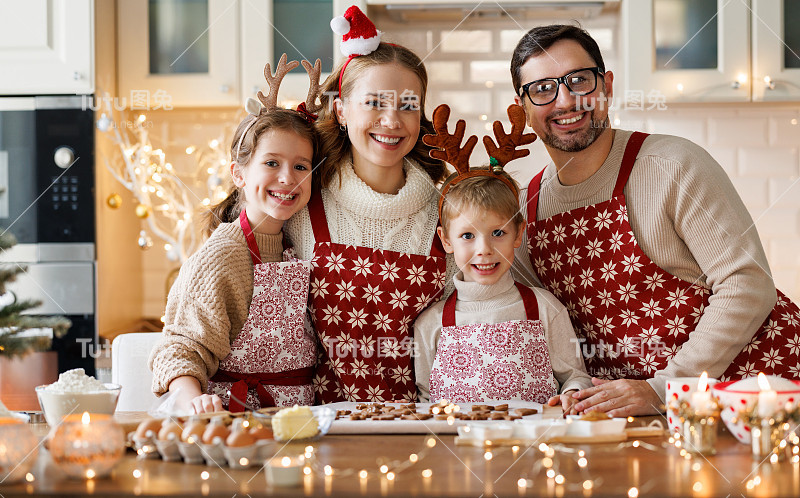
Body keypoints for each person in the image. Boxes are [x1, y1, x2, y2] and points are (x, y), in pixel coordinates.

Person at [510, 24, 800, 417]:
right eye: (543, 89)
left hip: (754, 395)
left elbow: (747, 284)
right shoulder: (525, 210)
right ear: (522, 108)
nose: (566, 100)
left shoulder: (671, 164)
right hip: (635, 415)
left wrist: (664, 388)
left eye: (579, 80)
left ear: (606, 86)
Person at [284, 5, 456, 403]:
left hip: (424, 430)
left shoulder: (447, 212)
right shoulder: (299, 205)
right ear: (341, 111)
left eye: (408, 105)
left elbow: (464, 331)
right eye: (375, 102)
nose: (392, 120)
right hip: (320, 430)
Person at [149, 56, 321, 414]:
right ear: (239, 174)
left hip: (298, 421)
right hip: (239, 421)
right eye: (272, 163)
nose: (288, 178)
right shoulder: (225, 253)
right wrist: (191, 398)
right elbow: (179, 346)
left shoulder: (299, 243)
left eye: (300, 166)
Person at [414, 104, 591, 411]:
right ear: (446, 240)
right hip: (459, 453)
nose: (484, 249)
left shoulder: (544, 308)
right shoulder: (431, 323)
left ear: (518, 234)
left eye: (498, 233)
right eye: (468, 236)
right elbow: (426, 400)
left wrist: (571, 395)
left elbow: (576, 377)